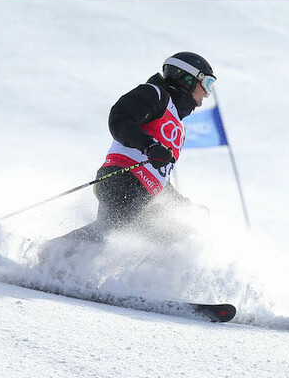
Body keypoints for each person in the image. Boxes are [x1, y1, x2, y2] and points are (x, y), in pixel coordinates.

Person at [40, 51, 216, 261]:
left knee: (175, 234)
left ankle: (119, 280)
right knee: (121, 228)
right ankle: (53, 256)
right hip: (121, 180)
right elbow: (120, 119)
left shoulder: (177, 124)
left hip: (144, 193)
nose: (207, 93)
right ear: (186, 78)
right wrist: (149, 146)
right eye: (207, 83)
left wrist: (182, 205)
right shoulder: (155, 94)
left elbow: (160, 175)